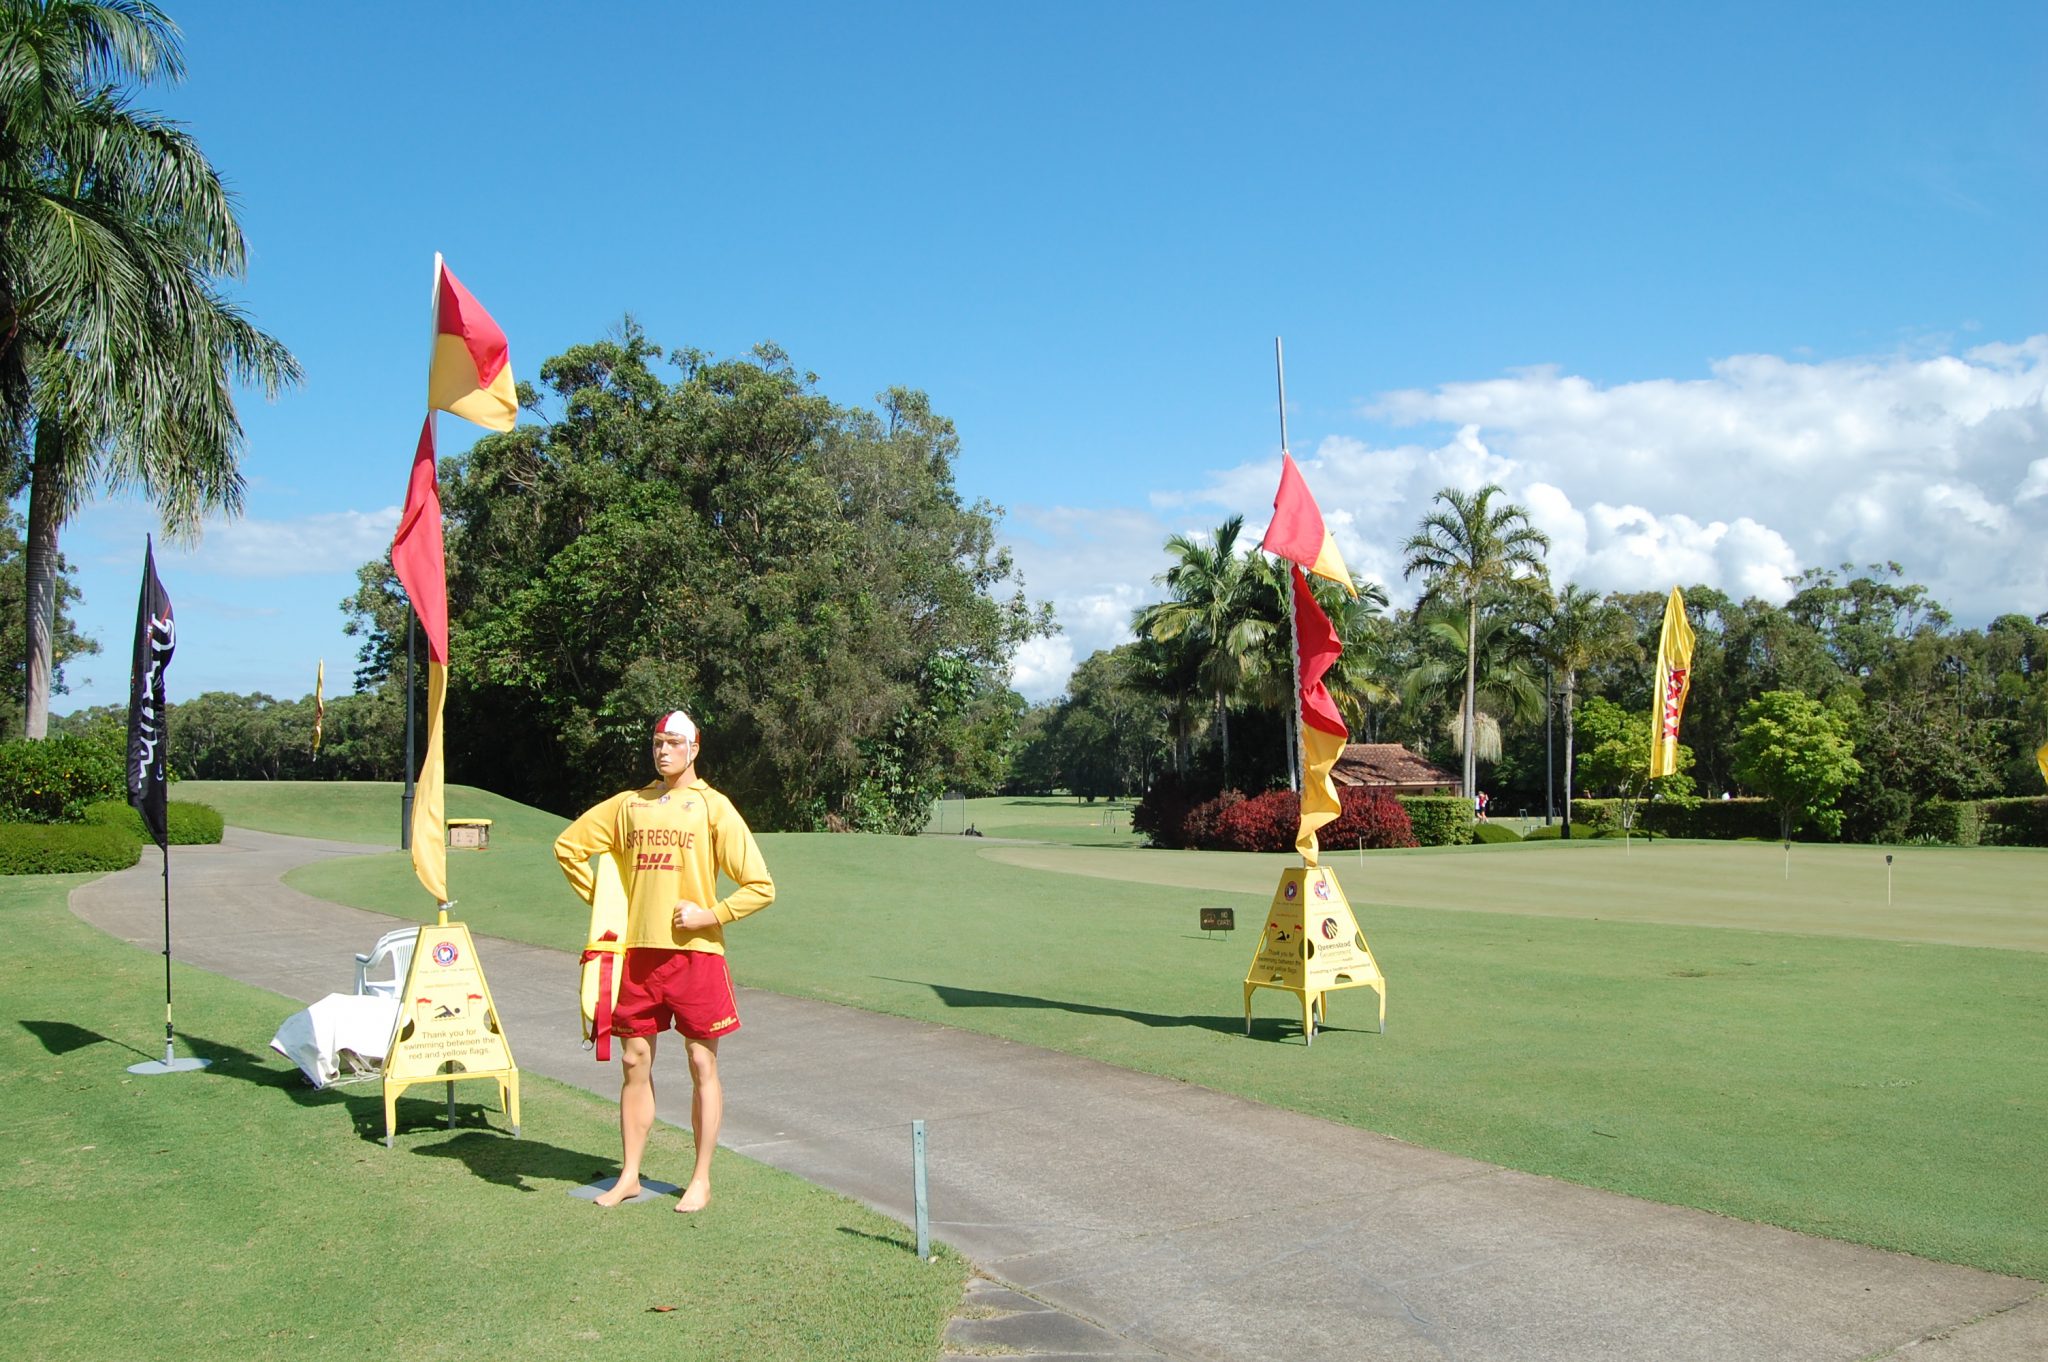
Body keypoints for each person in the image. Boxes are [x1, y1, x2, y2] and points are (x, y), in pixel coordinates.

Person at [554, 709, 774, 1212]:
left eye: (674, 742)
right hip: (637, 956)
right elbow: (568, 848)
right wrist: (607, 907)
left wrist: (710, 914)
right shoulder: (629, 805)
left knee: (701, 1061)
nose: (663, 750)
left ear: (694, 748)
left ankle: (700, 1179)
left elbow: (761, 886)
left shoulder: (714, 807)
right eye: (657, 742)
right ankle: (629, 1174)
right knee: (634, 1061)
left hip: (697, 957)